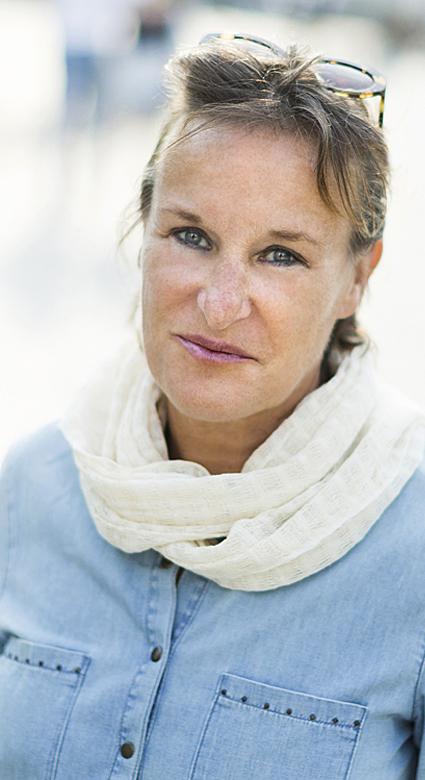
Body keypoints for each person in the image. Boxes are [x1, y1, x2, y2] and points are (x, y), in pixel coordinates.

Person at [1, 31, 425, 779]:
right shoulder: (29, 492)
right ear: (144, 234)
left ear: (357, 279)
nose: (221, 304)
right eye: (191, 236)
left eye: (281, 255)